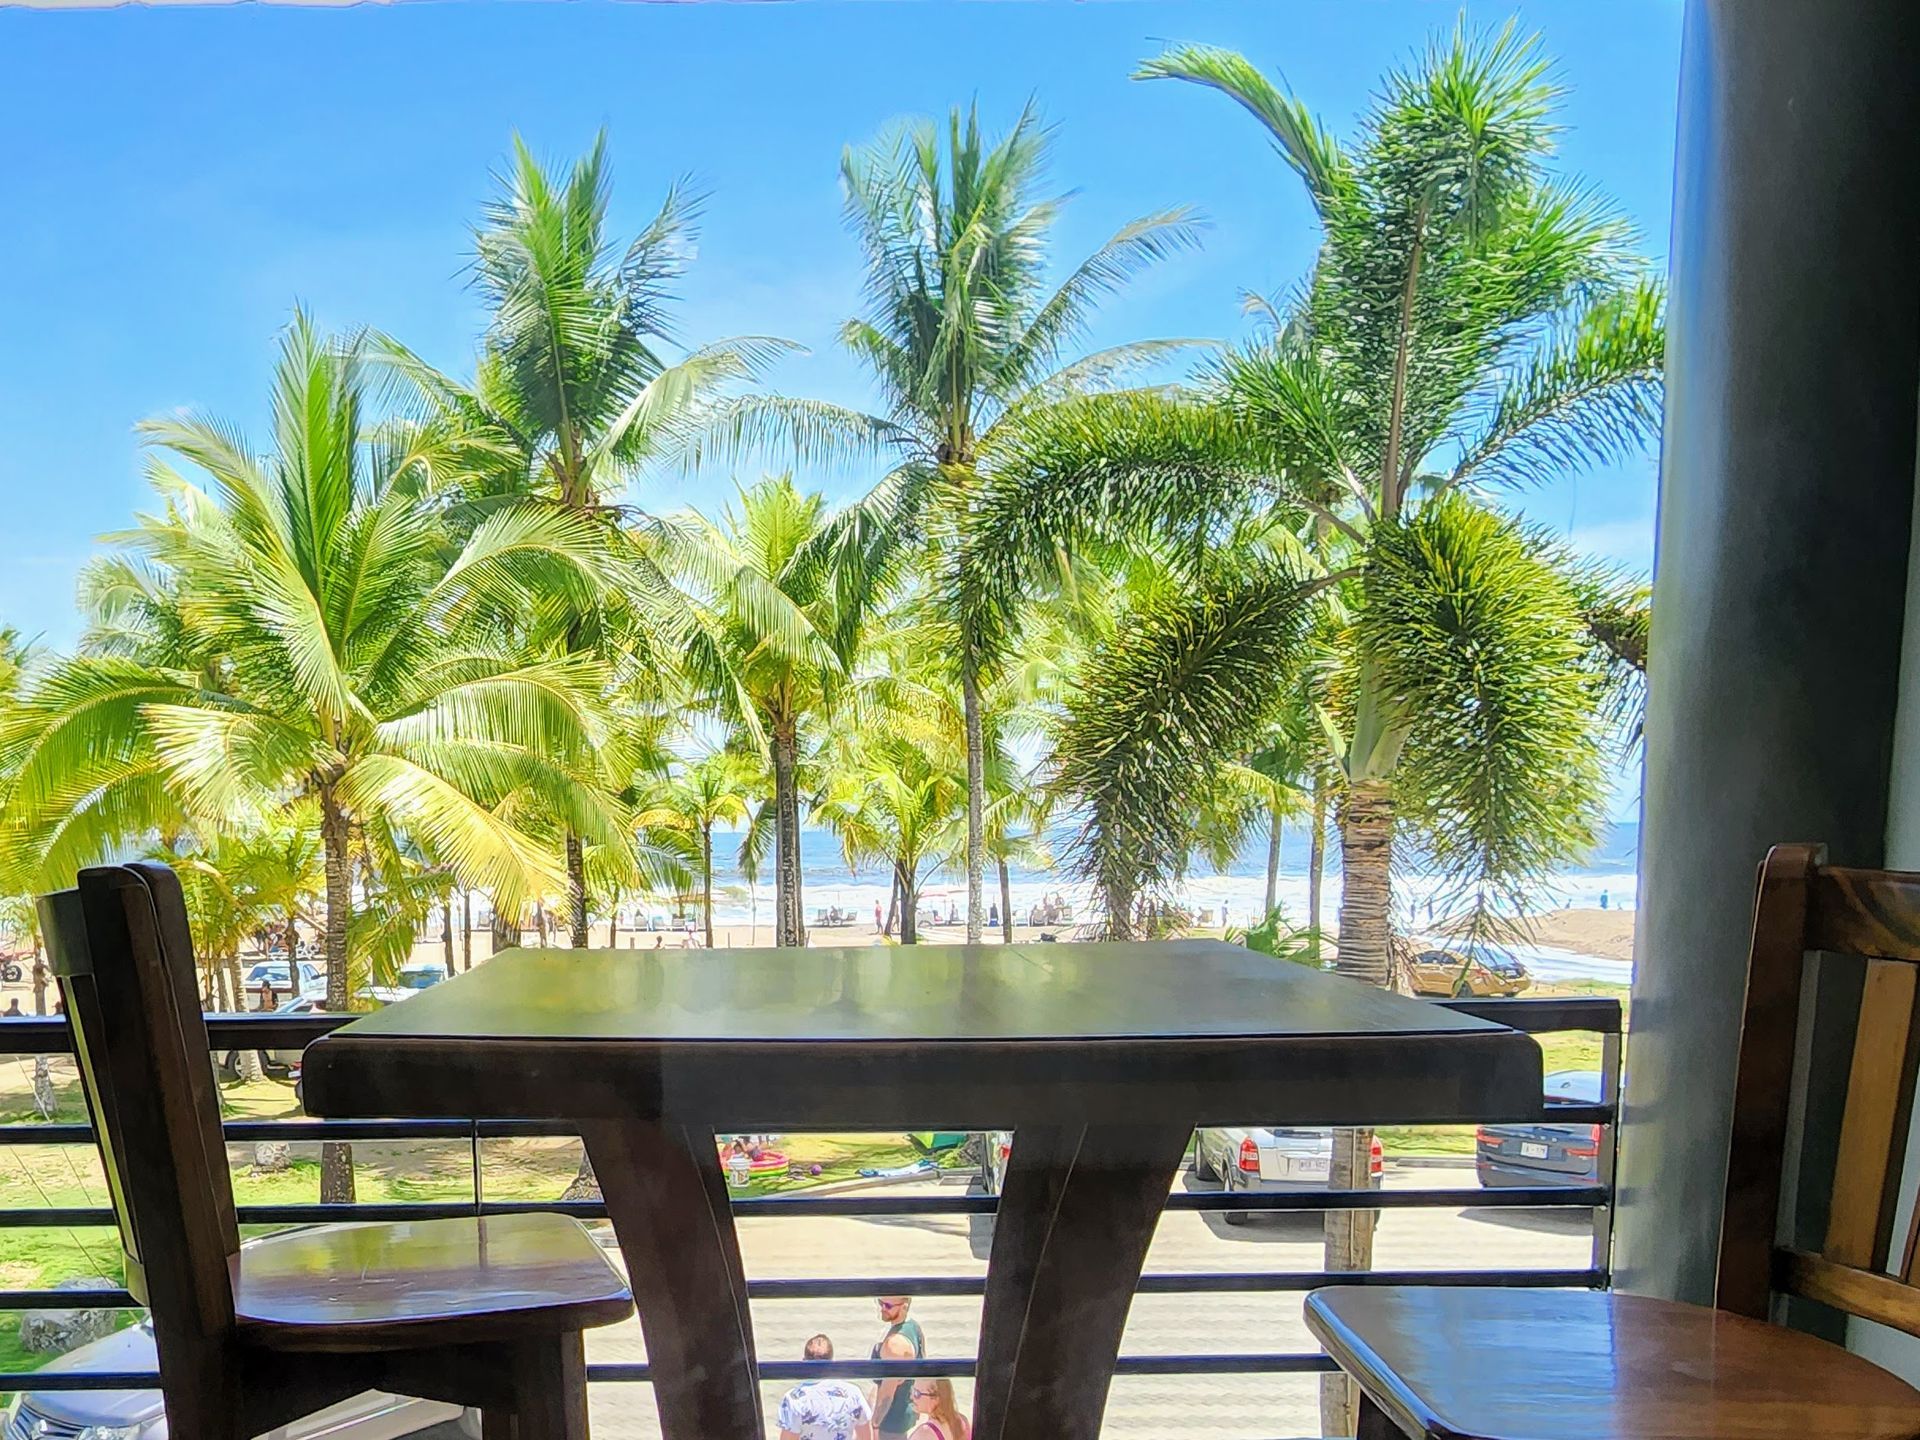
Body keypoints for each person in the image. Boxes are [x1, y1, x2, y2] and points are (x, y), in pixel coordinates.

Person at [777, 1334, 873, 1440]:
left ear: (804, 1362)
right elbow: (866, 1436)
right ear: (832, 1362)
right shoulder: (853, 1393)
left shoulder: (793, 1399)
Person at [869, 1295, 924, 1438]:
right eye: (880, 1302)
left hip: (890, 1423)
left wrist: (874, 1425)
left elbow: (886, 1396)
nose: (882, 1308)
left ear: (904, 1307)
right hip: (904, 1414)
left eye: (888, 1306)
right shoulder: (913, 1327)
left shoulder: (894, 1345)